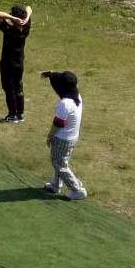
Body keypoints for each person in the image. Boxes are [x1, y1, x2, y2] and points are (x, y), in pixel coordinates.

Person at [42, 70, 87, 198]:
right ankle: (56, 185)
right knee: (59, 161)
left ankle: (77, 189)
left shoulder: (65, 103)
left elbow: (58, 123)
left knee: (59, 164)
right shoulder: (77, 96)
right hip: (71, 137)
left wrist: (50, 136)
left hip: (62, 138)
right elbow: (59, 84)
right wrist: (51, 75)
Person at [0, 4, 32, 122]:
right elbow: (29, 8)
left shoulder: (9, 30)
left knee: (9, 88)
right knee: (18, 87)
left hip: (7, 64)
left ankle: (12, 115)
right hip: (19, 63)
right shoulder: (26, 27)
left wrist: (12, 18)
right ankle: (20, 114)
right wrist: (25, 19)